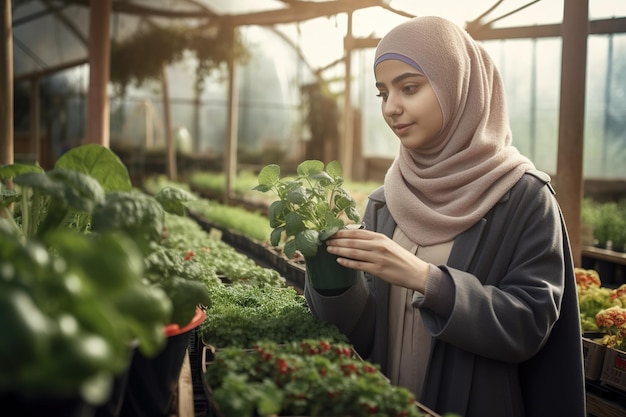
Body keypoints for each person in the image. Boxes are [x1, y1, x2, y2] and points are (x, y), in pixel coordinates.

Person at [304, 16, 586, 417]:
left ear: (458, 86)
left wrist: (426, 279)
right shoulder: (387, 201)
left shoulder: (523, 198)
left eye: (410, 87)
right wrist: (331, 273)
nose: (391, 107)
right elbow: (362, 337)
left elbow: (529, 324)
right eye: (383, 92)